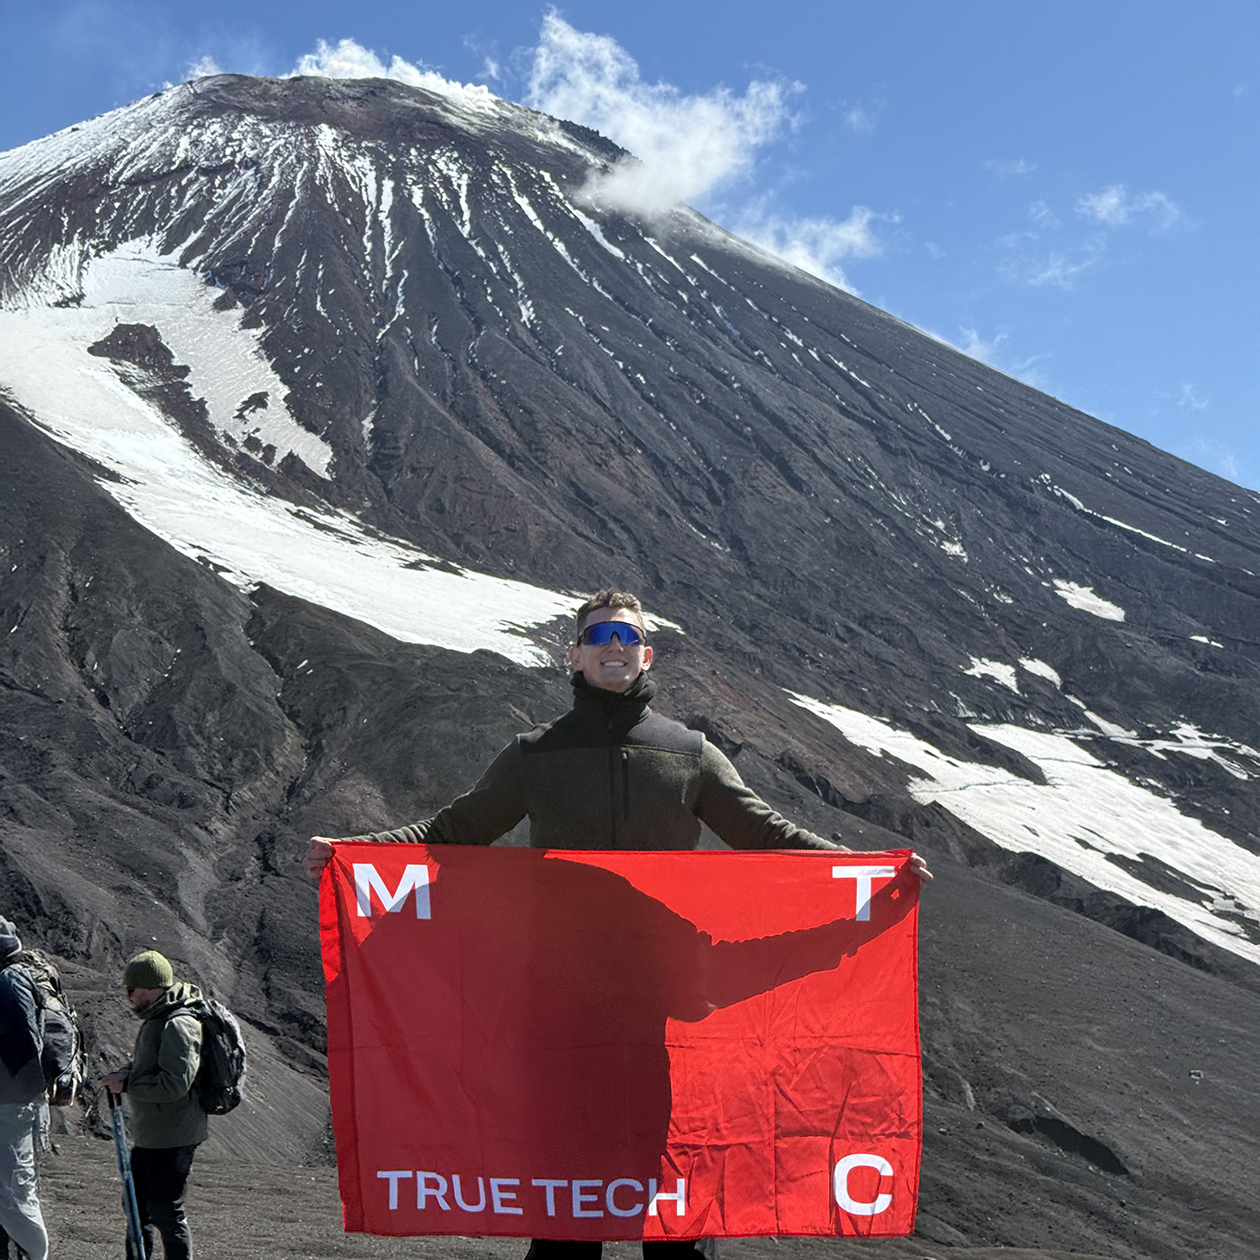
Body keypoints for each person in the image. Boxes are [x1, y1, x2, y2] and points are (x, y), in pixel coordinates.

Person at [304, 589, 931, 1259]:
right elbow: (454, 830)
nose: (614, 647)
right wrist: (356, 851)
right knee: (564, 1223)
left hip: (655, 1006)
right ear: (572, 654)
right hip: (556, 1010)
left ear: (646, 654)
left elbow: (766, 832)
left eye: (627, 637)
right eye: (599, 635)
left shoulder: (689, 753)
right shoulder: (535, 753)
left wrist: (864, 870)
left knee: (673, 1222)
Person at [101, 952, 207, 1260]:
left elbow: (174, 1084)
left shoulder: (178, 1024)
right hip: (152, 1134)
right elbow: (153, 1067)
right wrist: (128, 1073)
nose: (128, 997)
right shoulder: (158, 1018)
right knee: (136, 1207)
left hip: (172, 1136)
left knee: (164, 1210)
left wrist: (129, 1085)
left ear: (148, 988)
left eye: (131, 990)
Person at [0, 917, 53, 1260]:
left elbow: (24, 1050)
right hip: (15, 1103)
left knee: (14, 1194)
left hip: (12, 1106)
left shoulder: (8, 981)